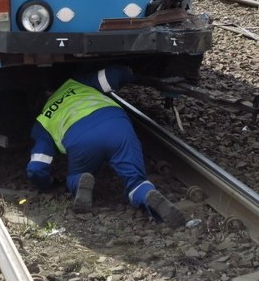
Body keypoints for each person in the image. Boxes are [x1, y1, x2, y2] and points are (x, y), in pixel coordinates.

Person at [26, 66, 186, 227]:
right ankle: (145, 193)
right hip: (117, 124)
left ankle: (81, 180)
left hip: (82, 140)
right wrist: (130, 73)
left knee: (76, 175)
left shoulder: (42, 122)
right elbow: (112, 75)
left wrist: (46, 184)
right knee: (135, 179)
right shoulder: (76, 83)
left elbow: (36, 168)